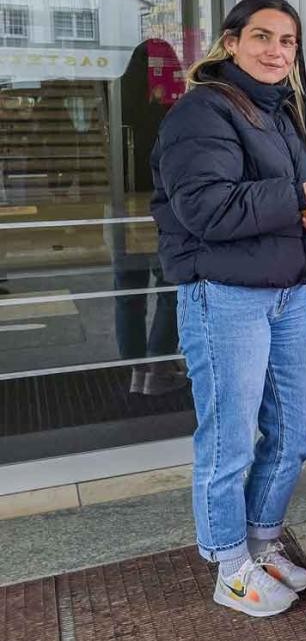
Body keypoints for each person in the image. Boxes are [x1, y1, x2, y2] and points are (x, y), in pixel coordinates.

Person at [151, 0, 306, 618]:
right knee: (229, 439)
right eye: (263, 37)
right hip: (225, 295)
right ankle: (228, 563)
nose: (276, 51)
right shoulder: (202, 111)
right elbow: (204, 208)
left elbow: (286, 200)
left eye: (287, 42)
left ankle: (262, 543)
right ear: (232, 42)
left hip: (287, 293)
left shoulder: (278, 112)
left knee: (295, 430)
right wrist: (296, 197)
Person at [112, 39, 187, 396]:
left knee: (127, 290)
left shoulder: (117, 100)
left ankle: (133, 369)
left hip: (117, 205)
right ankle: (157, 367)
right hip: (158, 204)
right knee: (172, 289)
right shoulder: (173, 108)